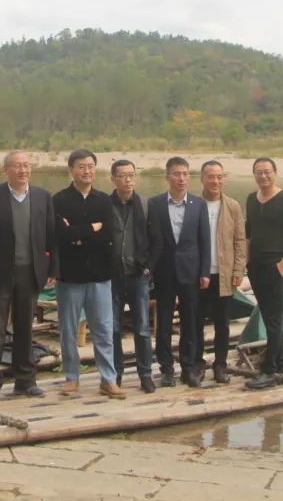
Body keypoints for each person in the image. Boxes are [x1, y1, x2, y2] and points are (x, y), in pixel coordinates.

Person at [0, 151, 58, 401]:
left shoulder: (43, 196)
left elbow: (51, 235)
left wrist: (53, 269)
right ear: (6, 170)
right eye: (17, 166)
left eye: (26, 165)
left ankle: (25, 380)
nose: (23, 170)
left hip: (31, 271)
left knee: (25, 327)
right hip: (1, 272)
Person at [52, 150, 125, 398]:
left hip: (100, 276)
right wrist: (91, 229)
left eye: (91, 166)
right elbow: (60, 236)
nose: (87, 171)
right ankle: (72, 377)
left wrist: (77, 234)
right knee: (68, 330)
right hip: (70, 276)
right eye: (81, 166)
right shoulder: (59, 200)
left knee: (103, 329)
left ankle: (108, 379)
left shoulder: (104, 200)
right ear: (71, 169)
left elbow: (108, 236)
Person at [147, 157, 211, 388]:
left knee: (190, 322)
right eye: (176, 174)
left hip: (191, 272)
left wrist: (205, 271)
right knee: (163, 323)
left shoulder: (198, 204)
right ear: (168, 177)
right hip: (164, 273)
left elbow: (204, 240)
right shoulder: (154, 204)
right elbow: (150, 240)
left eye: (185, 174)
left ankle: (188, 367)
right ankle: (166, 369)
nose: (182, 178)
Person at [244, 157, 283, 390]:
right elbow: (248, 231)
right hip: (255, 267)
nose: (263, 176)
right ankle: (282, 363)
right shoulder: (251, 198)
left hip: (275, 267)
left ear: (275, 173)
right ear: (254, 175)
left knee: (274, 319)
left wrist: (282, 264)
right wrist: (246, 260)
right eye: (259, 172)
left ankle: (269, 371)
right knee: (269, 317)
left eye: (267, 171)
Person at [194, 160, 247, 384]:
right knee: (196, 322)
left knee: (222, 323)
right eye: (211, 177)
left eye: (219, 177)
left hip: (224, 275)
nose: (216, 181)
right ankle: (197, 363)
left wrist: (238, 269)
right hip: (198, 275)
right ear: (202, 179)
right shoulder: (194, 204)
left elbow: (240, 241)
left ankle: (220, 364)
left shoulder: (232, 206)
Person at [108, 159, 155, 393]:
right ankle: (115, 375)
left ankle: (145, 374)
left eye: (131, 175)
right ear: (113, 179)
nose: (128, 180)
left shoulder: (145, 205)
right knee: (113, 329)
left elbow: (156, 240)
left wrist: (148, 268)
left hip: (138, 277)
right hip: (113, 277)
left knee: (142, 329)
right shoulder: (104, 205)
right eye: (123, 175)